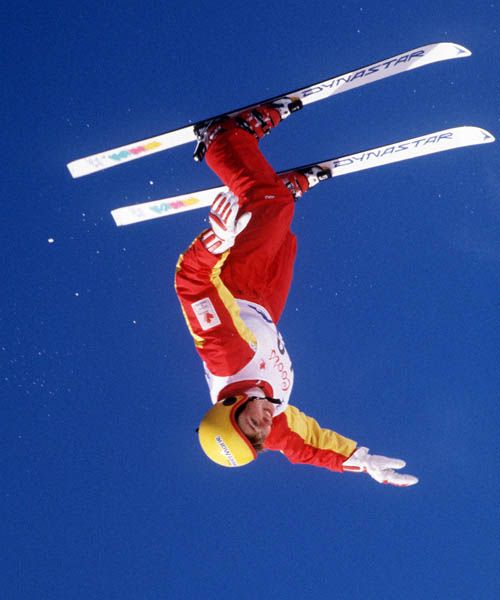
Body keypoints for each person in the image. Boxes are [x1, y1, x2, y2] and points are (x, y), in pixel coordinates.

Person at [174, 101, 418, 487]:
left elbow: (191, 284)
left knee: (270, 206)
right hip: (265, 306)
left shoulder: (228, 358)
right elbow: (306, 447)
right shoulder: (274, 422)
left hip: (234, 283)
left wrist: (214, 242)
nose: (266, 424)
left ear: (232, 405)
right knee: (284, 238)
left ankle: (223, 140)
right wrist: (361, 462)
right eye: (261, 434)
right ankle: (273, 192)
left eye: (254, 422)